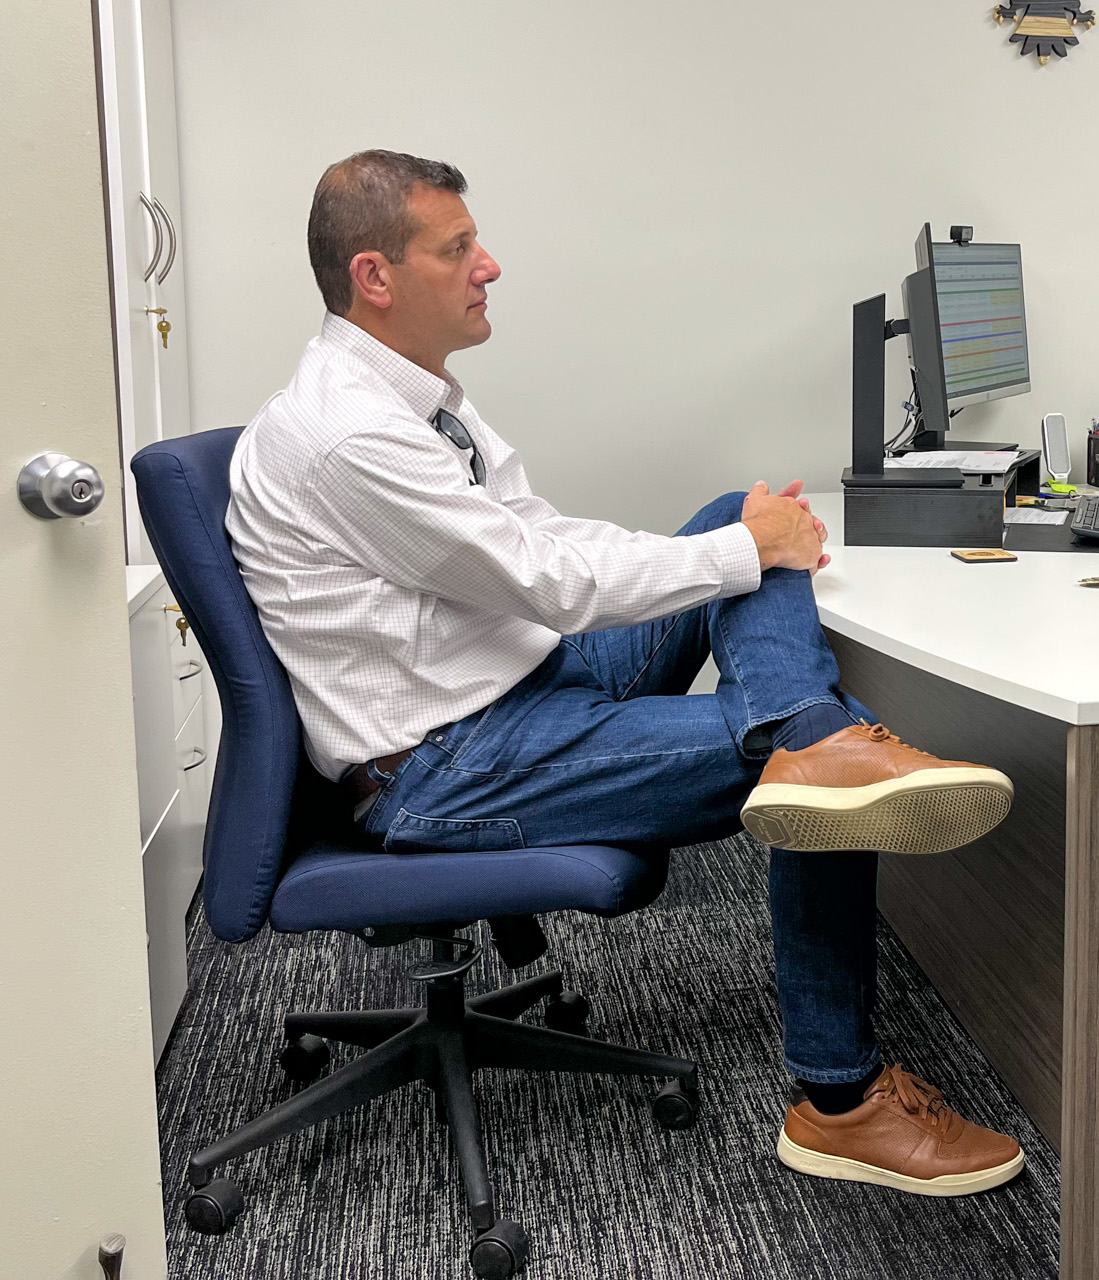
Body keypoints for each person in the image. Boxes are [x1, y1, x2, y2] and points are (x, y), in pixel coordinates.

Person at [227, 149, 1028, 1193]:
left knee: (725, 522)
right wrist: (754, 552)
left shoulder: (420, 401)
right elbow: (545, 579)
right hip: (449, 763)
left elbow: (546, 537)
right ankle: (841, 1102)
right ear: (374, 276)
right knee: (807, 743)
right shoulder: (349, 434)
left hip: (519, 683)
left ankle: (807, 732)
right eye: (458, 248)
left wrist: (743, 542)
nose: (490, 266)